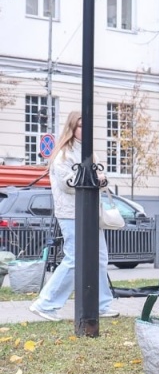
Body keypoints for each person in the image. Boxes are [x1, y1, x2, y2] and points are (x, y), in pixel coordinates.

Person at [29, 111, 119, 321]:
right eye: (80, 126)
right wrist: (95, 178)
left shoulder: (90, 153)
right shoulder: (63, 154)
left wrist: (100, 179)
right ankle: (45, 304)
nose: (85, 130)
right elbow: (68, 184)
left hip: (91, 212)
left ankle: (101, 305)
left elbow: (101, 179)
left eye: (87, 125)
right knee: (75, 259)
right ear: (72, 128)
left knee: (100, 257)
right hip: (71, 213)